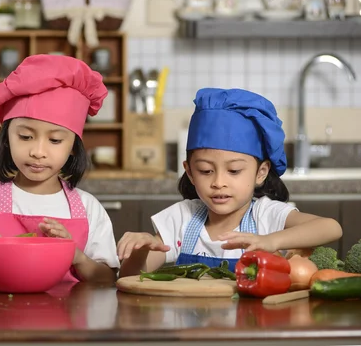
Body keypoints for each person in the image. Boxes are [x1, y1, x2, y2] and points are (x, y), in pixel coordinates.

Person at [117, 88, 343, 277]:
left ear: (261, 173)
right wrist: (140, 250)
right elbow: (132, 278)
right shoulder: (182, 219)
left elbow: (331, 227)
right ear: (190, 172)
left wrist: (271, 241)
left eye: (234, 170)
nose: (218, 182)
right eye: (206, 170)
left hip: (254, 326)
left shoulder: (266, 216)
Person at [0, 54, 119, 284]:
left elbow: (108, 280)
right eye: (25, 136)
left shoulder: (87, 208)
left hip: (68, 319)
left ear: (74, 146)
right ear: (6, 137)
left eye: (54, 141)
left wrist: (77, 257)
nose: (38, 151)